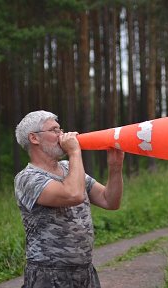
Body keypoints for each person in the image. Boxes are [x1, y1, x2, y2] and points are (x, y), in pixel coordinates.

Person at [15, 110, 124, 288]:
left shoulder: (68, 168)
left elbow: (109, 201)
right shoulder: (27, 178)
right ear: (34, 138)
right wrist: (75, 152)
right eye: (54, 130)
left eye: (61, 129)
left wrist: (115, 167)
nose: (63, 135)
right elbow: (73, 195)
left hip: (84, 271)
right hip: (49, 274)